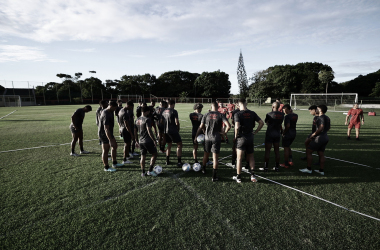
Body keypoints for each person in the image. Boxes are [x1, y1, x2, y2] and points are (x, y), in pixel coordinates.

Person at [194, 101, 231, 182]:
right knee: (215, 158)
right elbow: (229, 126)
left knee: (205, 155)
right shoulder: (221, 115)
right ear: (217, 107)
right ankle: (214, 177)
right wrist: (224, 133)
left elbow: (201, 127)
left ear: (211, 107)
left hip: (207, 138)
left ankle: (203, 169)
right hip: (216, 138)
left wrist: (196, 136)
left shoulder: (206, 114)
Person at [232, 99, 264, 183]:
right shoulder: (252, 113)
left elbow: (237, 127)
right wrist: (256, 132)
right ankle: (253, 176)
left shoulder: (237, 114)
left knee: (239, 158)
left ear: (238, 105)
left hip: (241, 138)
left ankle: (239, 177)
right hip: (250, 137)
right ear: (246, 104)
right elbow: (261, 123)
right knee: (251, 157)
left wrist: (235, 136)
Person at [299, 105, 330, 175]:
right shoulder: (327, 117)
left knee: (309, 152)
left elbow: (321, 128)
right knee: (321, 154)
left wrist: (313, 135)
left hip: (318, 138)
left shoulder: (320, 118)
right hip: (325, 137)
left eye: (317, 109)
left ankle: (308, 169)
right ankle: (321, 170)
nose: (316, 110)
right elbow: (328, 127)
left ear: (320, 110)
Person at [98, 101, 124, 172]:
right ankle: (106, 167)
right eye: (115, 108)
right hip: (104, 134)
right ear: (111, 106)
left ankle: (114, 163)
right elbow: (106, 129)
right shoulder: (106, 113)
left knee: (114, 146)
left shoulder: (110, 111)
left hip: (109, 132)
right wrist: (110, 140)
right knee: (106, 150)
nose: (115, 109)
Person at [134, 106, 158, 177]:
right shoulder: (147, 119)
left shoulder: (136, 120)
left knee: (143, 156)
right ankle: (150, 170)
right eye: (149, 111)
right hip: (148, 140)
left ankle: (143, 172)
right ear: (146, 111)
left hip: (141, 141)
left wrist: (136, 141)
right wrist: (154, 140)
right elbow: (149, 130)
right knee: (154, 154)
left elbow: (135, 132)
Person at [262, 102, 284, 172]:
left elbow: (267, 122)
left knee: (267, 151)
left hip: (270, 133)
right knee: (277, 151)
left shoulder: (269, 114)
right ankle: (277, 167)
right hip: (277, 133)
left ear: (272, 106)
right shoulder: (282, 114)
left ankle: (266, 167)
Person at [162, 99, 183, 167]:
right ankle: (179, 162)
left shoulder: (164, 111)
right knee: (179, 144)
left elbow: (161, 121)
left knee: (169, 145)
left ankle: (167, 161)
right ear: (173, 104)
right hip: (173, 130)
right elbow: (177, 122)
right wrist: (178, 129)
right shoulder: (174, 111)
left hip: (166, 131)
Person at [280, 104, 298, 168]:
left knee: (286, 148)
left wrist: (284, 133)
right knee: (288, 146)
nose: (284, 112)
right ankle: (290, 161)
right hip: (294, 133)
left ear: (287, 109)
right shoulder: (295, 115)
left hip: (288, 134)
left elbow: (287, 126)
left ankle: (286, 164)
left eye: (284, 110)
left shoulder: (287, 116)